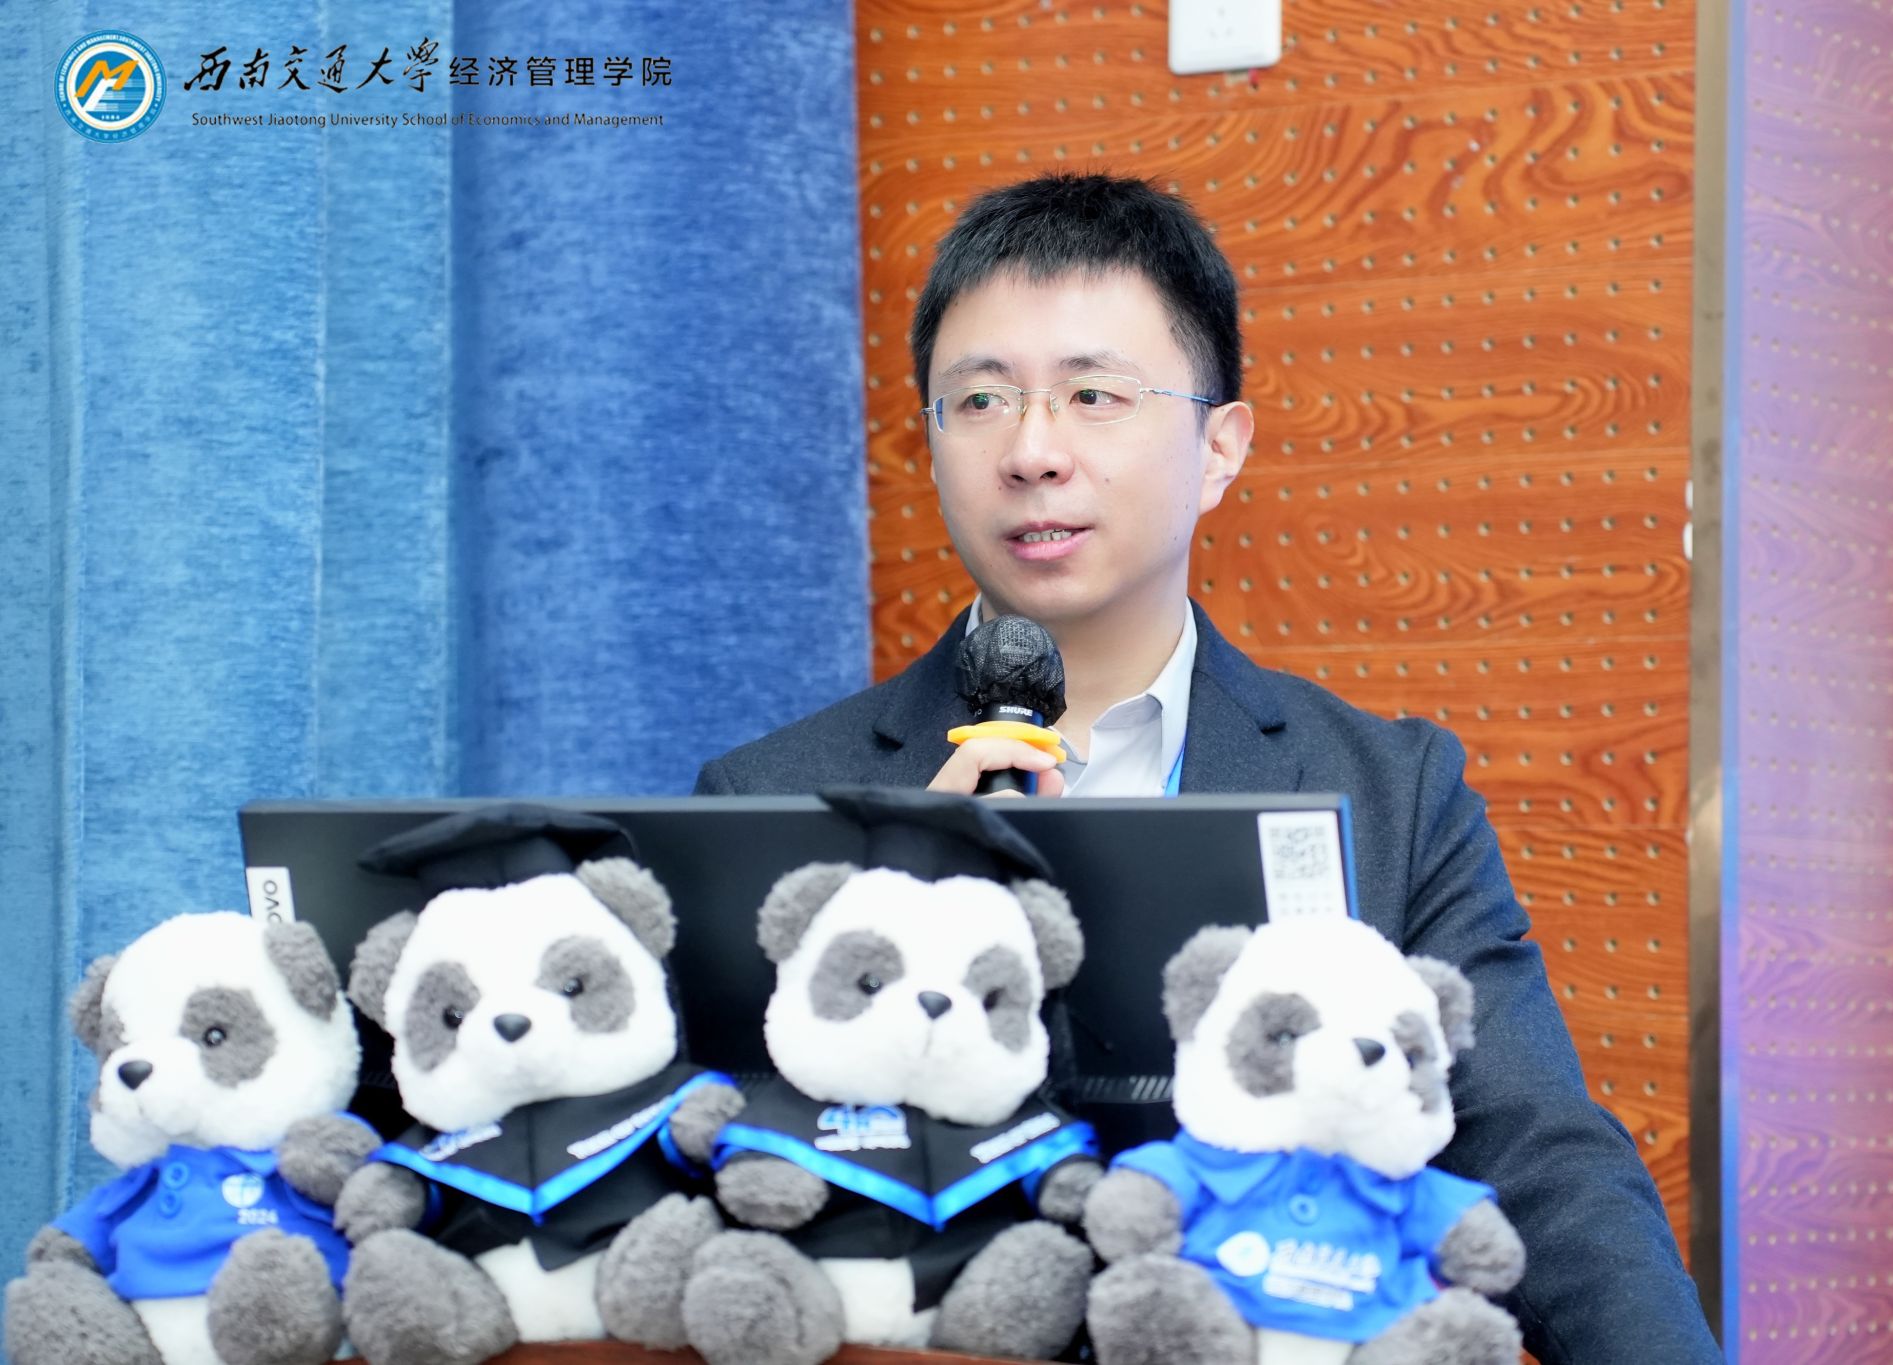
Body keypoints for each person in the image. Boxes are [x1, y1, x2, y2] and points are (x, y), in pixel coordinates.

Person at [694, 171, 1721, 1362]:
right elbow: (715, 1197)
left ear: (1219, 447)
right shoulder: (775, 800)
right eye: (978, 400)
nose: (1031, 451)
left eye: (1092, 395)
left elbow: (1539, 1156)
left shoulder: (1389, 794)